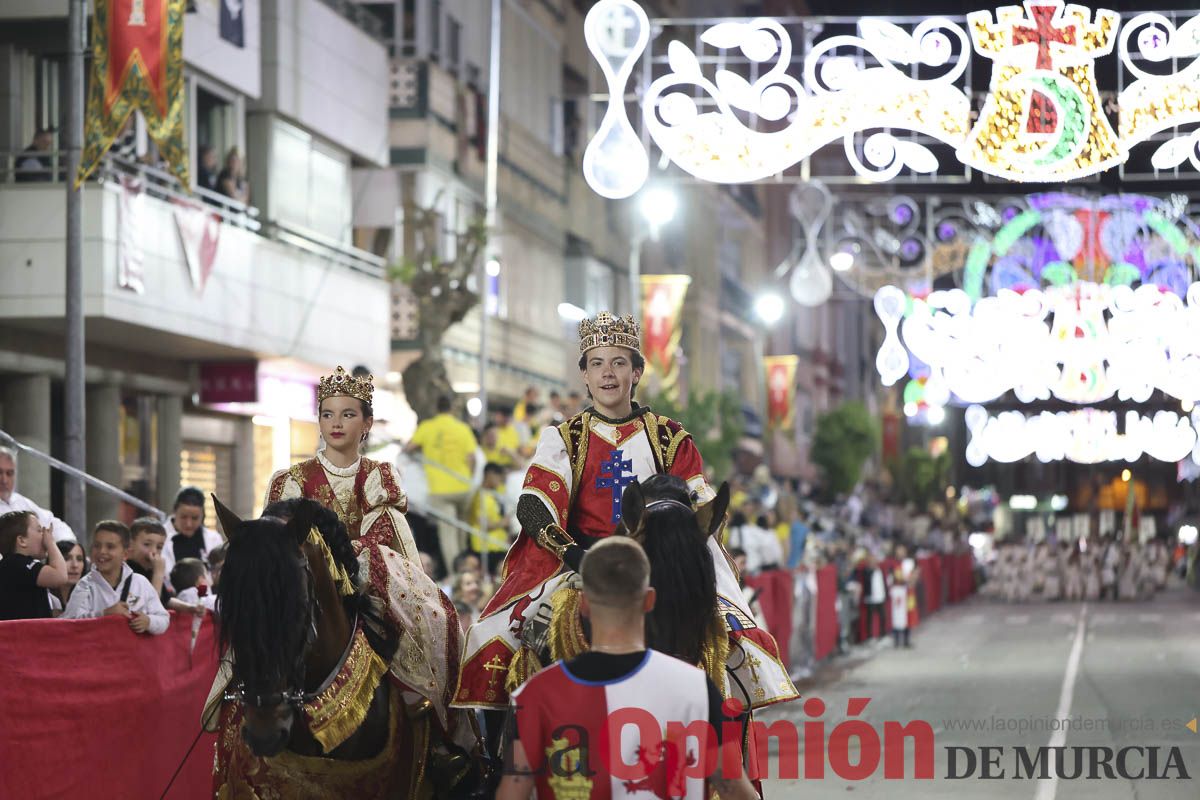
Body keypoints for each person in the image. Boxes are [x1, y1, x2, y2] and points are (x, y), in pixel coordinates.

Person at [456, 312, 794, 714]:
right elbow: (533, 504)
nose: (607, 374)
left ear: (636, 372)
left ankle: (726, 729)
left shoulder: (669, 436)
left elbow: (696, 496)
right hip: (581, 563)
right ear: (584, 374)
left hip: (660, 562)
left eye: (618, 362)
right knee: (495, 636)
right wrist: (575, 556)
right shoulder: (566, 438)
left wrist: (702, 517)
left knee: (727, 633)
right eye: (596, 364)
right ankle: (492, 756)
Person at [261, 366, 472, 754]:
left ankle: (429, 711)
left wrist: (346, 555)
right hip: (302, 576)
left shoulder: (379, 475)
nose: (336, 423)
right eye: (327, 414)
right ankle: (237, 701)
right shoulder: (290, 479)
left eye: (347, 414)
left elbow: (382, 528)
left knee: (436, 617)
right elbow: (274, 535)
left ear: (367, 423)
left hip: (363, 571)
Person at [497, 538, 758, 800]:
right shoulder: (696, 688)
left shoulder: (535, 694)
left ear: (584, 604)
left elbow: (513, 794)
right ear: (649, 600)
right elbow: (734, 789)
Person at [405, 395, 478, 570]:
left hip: (441, 490)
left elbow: (409, 448)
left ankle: (457, 574)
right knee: (461, 532)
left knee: (448, 534)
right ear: (452, 409)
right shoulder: (463, 428)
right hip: (464, 488)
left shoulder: (427, 427)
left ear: (436, 409)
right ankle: (467, 569)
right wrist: (469, 477)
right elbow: (472, 458)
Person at [63, 521, 169, 635]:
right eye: (97, 546)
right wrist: (103, 614)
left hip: (133, 652)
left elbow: (163, 618)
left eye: (110, 546)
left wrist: (149, 622)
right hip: (97, 650)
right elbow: (70, 622)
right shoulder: (85, 585)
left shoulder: (140, 583)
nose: (102, 551)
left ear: (125, 554)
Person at [0, 510, 68, 620]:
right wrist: (51, 543)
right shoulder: (17, 563)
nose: (45, 535)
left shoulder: (13, 564)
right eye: (39, 530)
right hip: (22, 634)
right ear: (22, 541)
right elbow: (60, 576)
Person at [0, 447, 76, 542]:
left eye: (9, 473)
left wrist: (66, 545)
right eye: (0, 472)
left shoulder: (21, 501)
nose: (4, 480)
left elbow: (53, 523)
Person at [162, 488, 224, 589]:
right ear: (174, 512)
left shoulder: (213, 539)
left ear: (203, 516)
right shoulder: (162, 538)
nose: (188, 524)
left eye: (195, 518)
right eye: (183, 517)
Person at [468, 462, 511, 575]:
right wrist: (503, 523)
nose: (500, 479)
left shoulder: (495, 493)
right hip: (486, 547)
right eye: (498, 476)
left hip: (498, 545)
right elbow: (484, 524)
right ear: (489, 474)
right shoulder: (479, 496)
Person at [126, 516, 169, 602]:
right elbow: (150, 606)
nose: (153, 551)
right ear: (130, 544)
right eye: (147, 544)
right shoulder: (127, 572)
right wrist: (158, 574)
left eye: (159, 547)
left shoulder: (151, 571)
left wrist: (190, 607)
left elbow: (167, 601)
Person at [49, 539, 88, 615]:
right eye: (66, 559)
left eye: (79, 559)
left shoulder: (90, 597)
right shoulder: (45, 597)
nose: (75, 565)